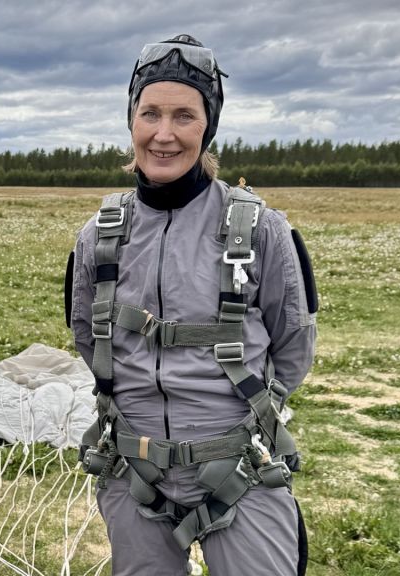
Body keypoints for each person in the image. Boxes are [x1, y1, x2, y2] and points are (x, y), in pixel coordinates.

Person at [68, 35, 317, 575]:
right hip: (134, 474)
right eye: (150, 114)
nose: (164, 134)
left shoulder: (261, 231)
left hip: (241, 470)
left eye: (184, 116)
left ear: (208, 127)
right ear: (131, 121)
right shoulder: (98, 237)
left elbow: (294, 345)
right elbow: (88, 338)